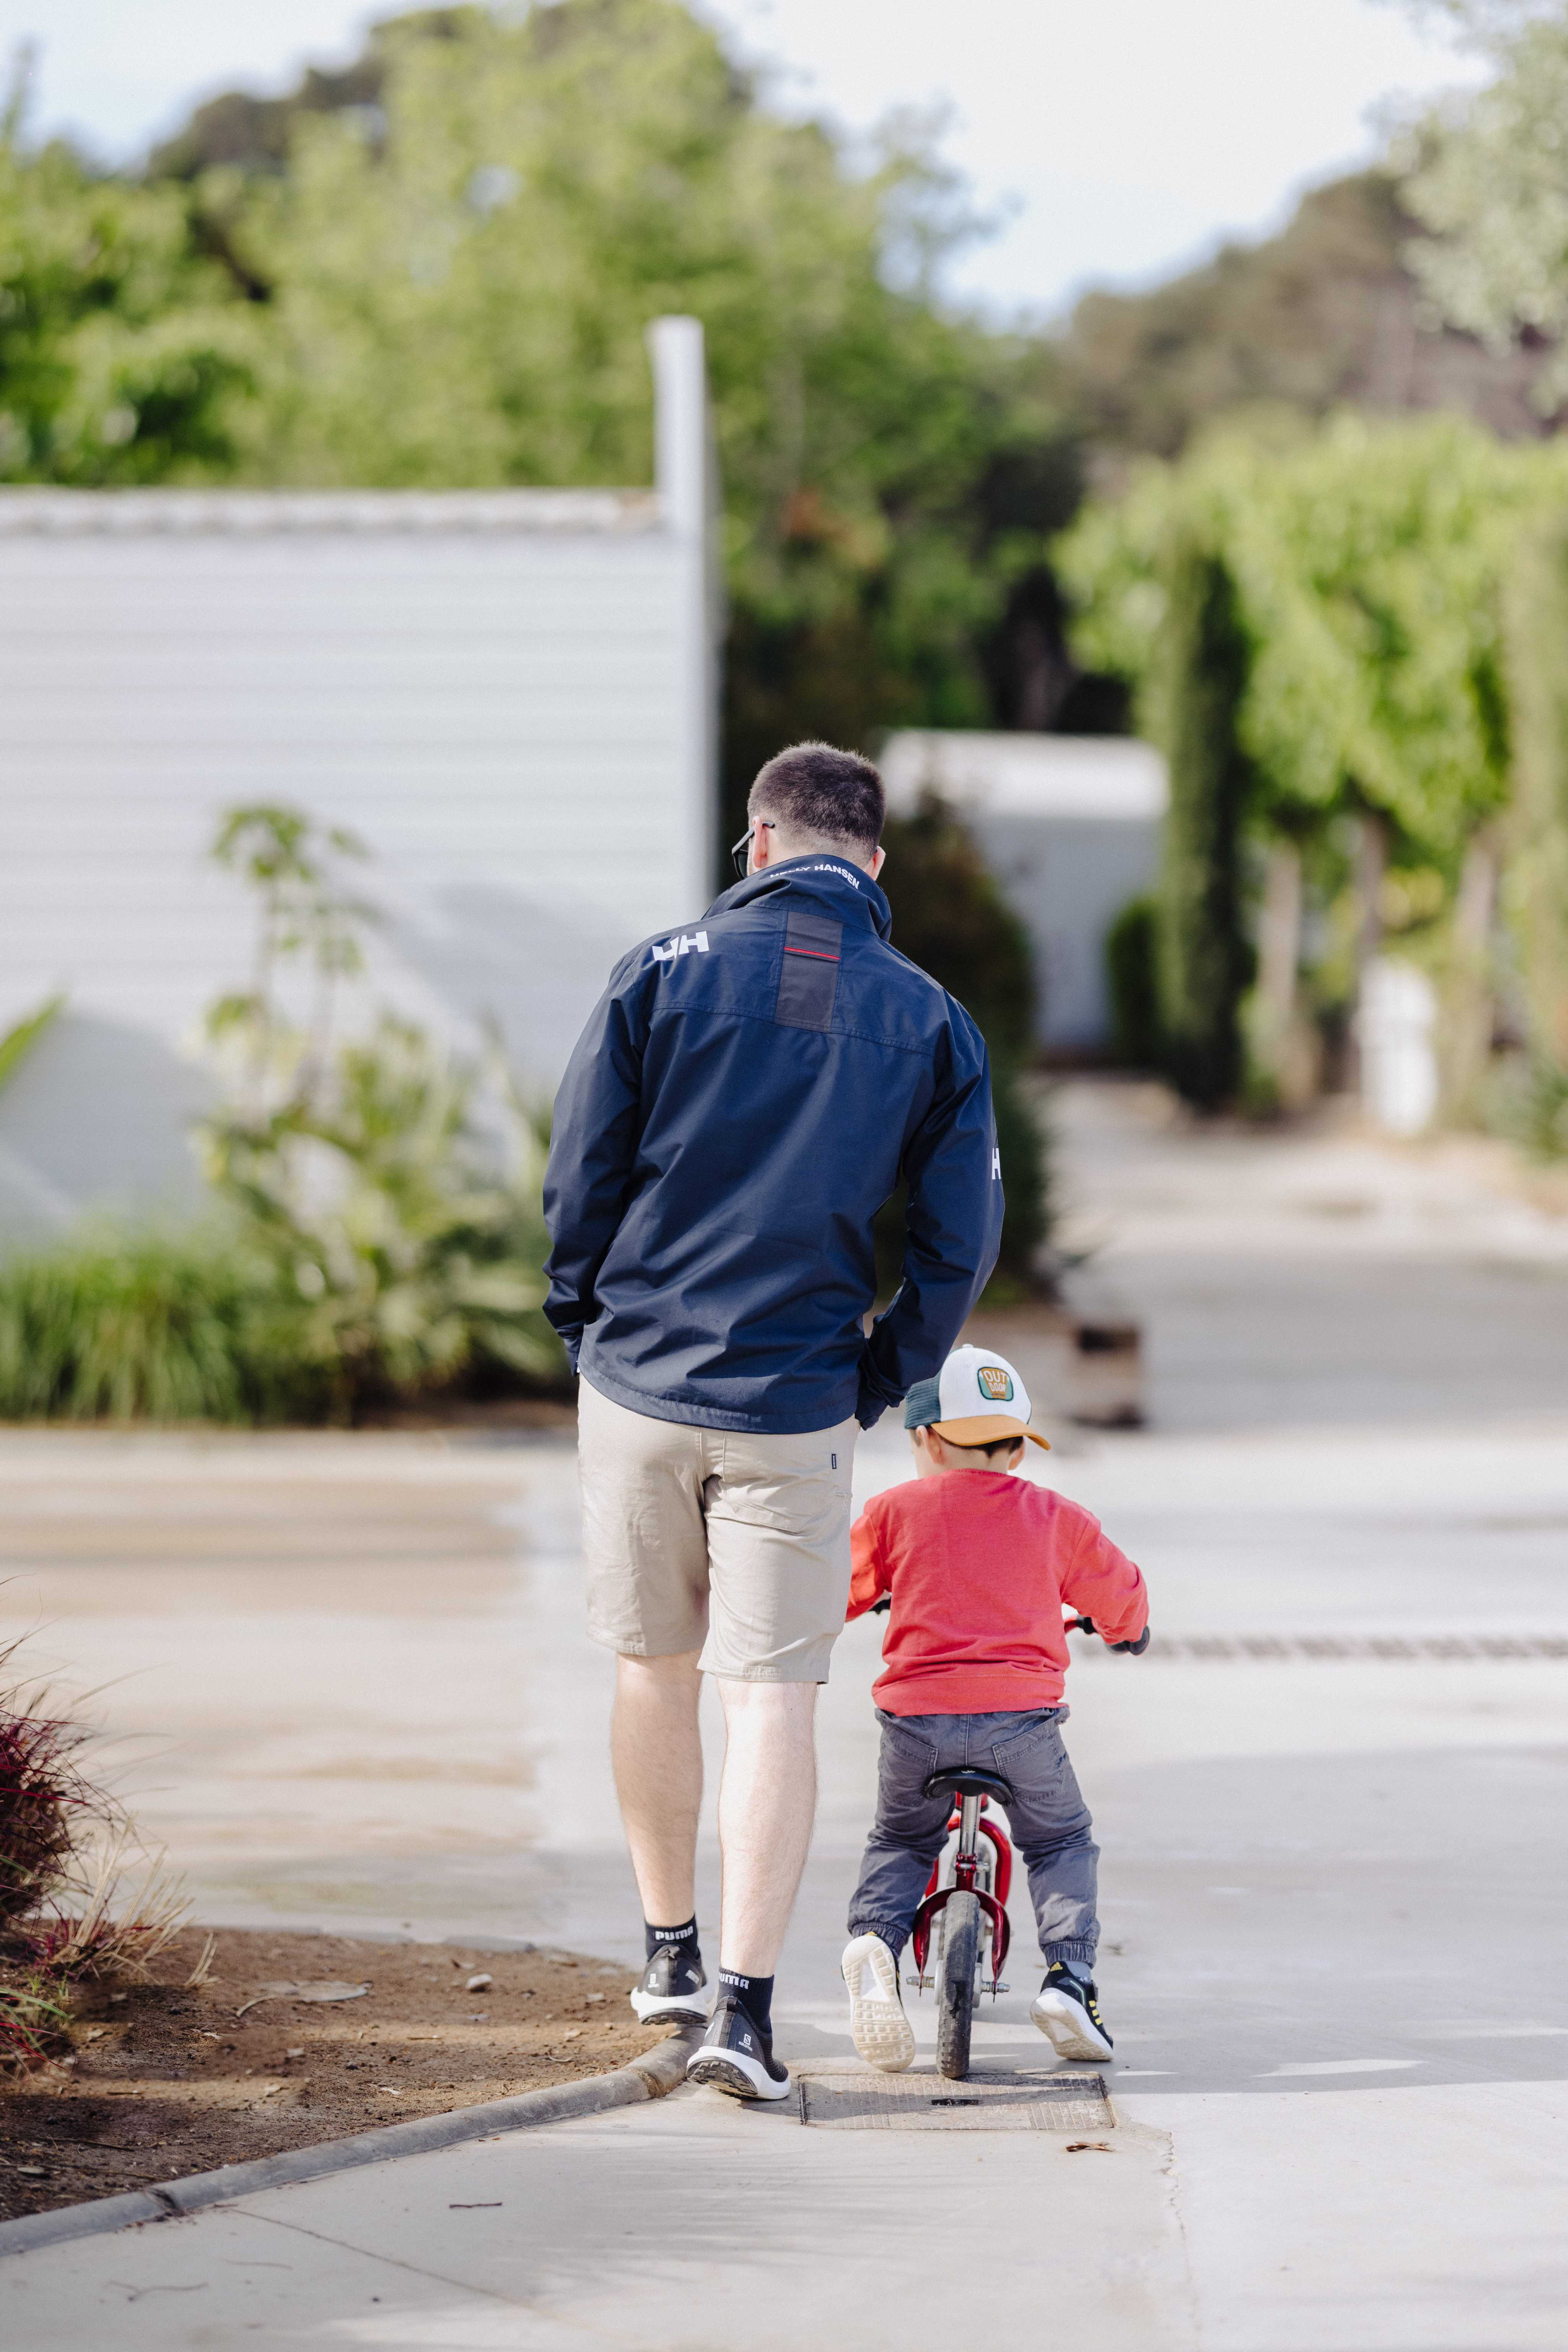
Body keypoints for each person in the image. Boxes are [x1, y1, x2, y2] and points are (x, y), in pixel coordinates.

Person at [542, 742, 1003, 2101]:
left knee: (649, 1669)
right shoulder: (928, 1017)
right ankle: (743, 2018)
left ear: (754, 845)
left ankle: (667, 1953)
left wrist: (585, 1327)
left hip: (636, 1382)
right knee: (773, 1701)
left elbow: (581, 1171)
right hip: (795, 1401)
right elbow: (957, 1237)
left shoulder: (657, 969)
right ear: (872, 866)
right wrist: (884, 1373)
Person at [838, 1343, 1149, 2071]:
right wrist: (1124, 1630)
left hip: (915, 1724)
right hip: (1020, 1725)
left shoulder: (892, 1512)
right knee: (1059, 1841)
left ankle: (875, 1944)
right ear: (1014, 1449)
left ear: (924, 1439)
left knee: (903, 1840)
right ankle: (1069, 1979)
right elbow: (1119, 1591)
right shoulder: (1055, 1515)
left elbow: (837, 1592)